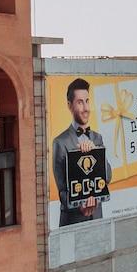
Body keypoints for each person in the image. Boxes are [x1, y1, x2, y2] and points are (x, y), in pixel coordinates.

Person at [51, 77, 107, 225]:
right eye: (80, 102)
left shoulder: (97, 138)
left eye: (87, 101)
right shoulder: (60, 142)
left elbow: (107, 176)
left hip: (96, 219)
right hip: (73, 222)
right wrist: (79, 205)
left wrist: (94, 153)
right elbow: (62, 191)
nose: (86, 108)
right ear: (70, 106)